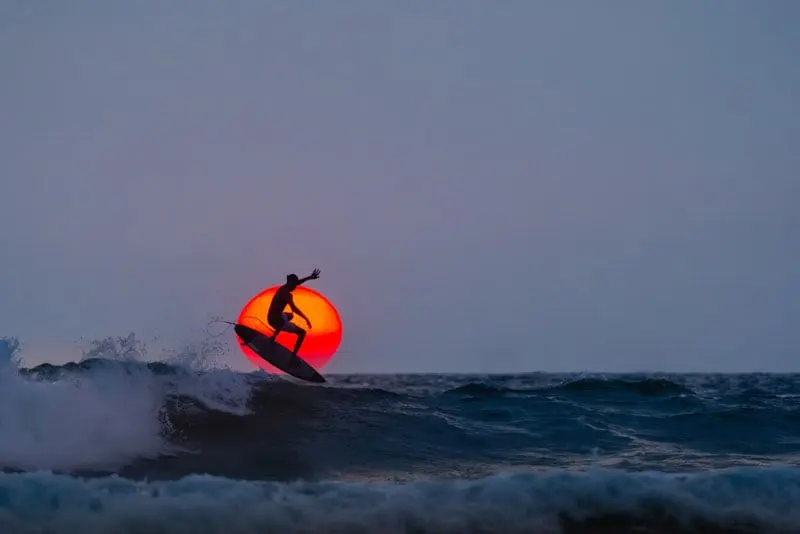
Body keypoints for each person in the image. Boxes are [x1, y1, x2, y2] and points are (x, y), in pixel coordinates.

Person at [266, 268, 320, 355]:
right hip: (275, 321)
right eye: (294, 285)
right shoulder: (287, 295)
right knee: (302, 333)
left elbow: (298, 283)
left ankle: (273, 336)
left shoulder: (282, 288)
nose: (296, 287)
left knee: (290, 316)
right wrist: (306, 318)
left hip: (270, 317)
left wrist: (310, 277)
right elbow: (294, 309)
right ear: (291, 284)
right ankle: (293, 356)